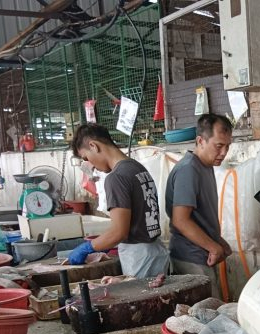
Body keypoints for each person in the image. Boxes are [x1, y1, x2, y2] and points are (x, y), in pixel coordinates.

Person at [68, 124, 168, 278]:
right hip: (155, 251)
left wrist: (88, 247)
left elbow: (119, 233)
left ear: (93, 146)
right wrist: (104, 243)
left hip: (139, 258)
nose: (91, 166)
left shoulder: (116, 177)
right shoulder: (137, 168)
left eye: (86, 158)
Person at [165, 113, 234, 299]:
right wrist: (213, 247)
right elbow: (181, 220)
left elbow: (200, 215)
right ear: (200, 141)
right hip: (191, 257)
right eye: (219, 146)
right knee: (208, 318)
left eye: (227, 146)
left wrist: (217, 241)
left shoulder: (205, 166)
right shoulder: (189, 169)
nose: (224, 152)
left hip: (201, 255)